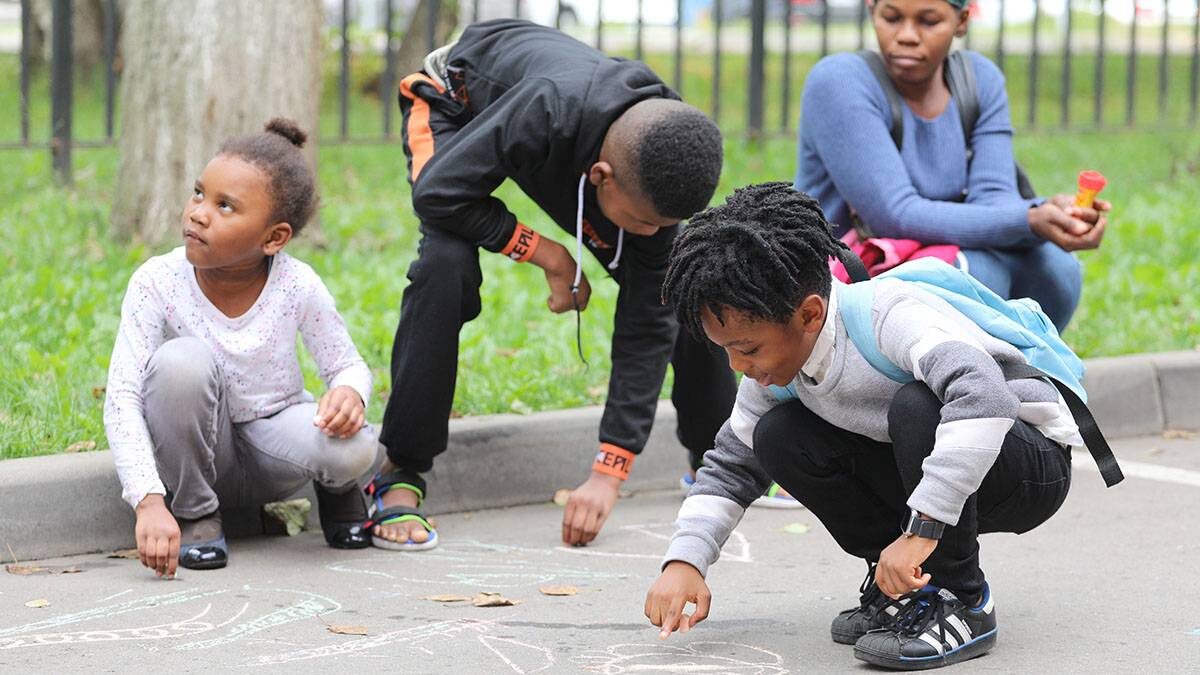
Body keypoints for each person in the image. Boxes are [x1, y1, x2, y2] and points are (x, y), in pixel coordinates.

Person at [645, 183, 1086, 669]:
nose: (737, 366)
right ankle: (902, 588)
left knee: (919, 405)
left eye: (747, 349)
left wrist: (922, 530)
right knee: (777, 434)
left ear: (809, 314)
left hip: (1028, 464)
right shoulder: (774, 372)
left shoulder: (886, 318)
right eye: (725, 349)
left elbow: (984, 395)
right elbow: (731, 465)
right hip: (946, 471)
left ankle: (962, 600)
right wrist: (685, 561)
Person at [369, 19, 736, 551]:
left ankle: (716, 465)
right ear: (602, 177)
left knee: (680, 279)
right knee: (444, 265)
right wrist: (548, 254)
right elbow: (439, 195)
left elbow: (646, 320)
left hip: (572, 142)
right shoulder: (547, 110)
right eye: (642, 220)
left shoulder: (663, 139)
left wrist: (610, 469)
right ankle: (400, 469)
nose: (651, 234)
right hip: (457, 101)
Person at [103, 119, 378, 577]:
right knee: (179, 363)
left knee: (355, 448)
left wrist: (350, 394)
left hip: (278, 445)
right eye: (198, 193)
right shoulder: (157, 281)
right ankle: (197, 514)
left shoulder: (297, 284)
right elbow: (123, 396)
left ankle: (337, 489)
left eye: (225, 206)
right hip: (201, 456)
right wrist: (148, 501)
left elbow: (347, 364)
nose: (197, 213)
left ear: (274, 238)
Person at [795, 0, 1110, 331]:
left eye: (928, 22)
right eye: (891, 18)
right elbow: (894, 214)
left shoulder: (979, 80)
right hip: (843, 278)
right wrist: (1030, 218)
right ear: (872, 10)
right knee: (979, 273)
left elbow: (994, 197)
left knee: (1055, 267)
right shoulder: (839, 82)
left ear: (961, 21)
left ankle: (1028, 376)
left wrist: (1051, 214)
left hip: (945, 253)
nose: (906, 36)